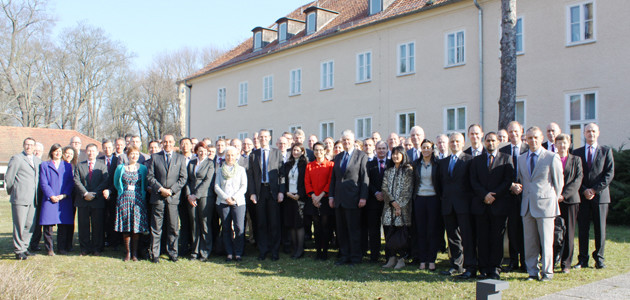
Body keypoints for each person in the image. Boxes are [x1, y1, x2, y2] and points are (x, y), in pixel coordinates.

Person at [512, 126, 563, 281]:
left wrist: (552, 199)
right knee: (530, 242)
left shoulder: (551, 157)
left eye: (535, 137)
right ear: (525, 140)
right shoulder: (521, 158)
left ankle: (547, 273)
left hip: (545, 206)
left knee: (546, 242)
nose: (532, 140)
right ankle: (532, 272)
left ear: (541, 138)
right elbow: (521, 180)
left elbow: (559, 183)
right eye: (529, 138)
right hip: (527, 206)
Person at [470, 132, 514, 280]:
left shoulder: (506, 159)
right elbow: (473, 181)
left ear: (498, 142)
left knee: (497, 238)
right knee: (482, 238)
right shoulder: (476, 160)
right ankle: (483, 268)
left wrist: (494, 195)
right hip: (481, 205)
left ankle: (495, 268)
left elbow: (508, 180)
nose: (490, 143)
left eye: (493, 140)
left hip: (499, 205)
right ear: (484, 142)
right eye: (488, 141)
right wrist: (484, 195)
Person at [574, 123, 614, 270]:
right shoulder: (577, 153)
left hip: (600, 196)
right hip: (582, 196)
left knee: (600, 229)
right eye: (588, 131)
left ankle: (599, 259)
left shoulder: (606, 151)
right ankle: (582, 259)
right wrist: (584, 190)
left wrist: (594, 190)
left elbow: (609, 174)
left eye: (593, 131)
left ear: (598, 133)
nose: (591, 134)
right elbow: (577, 175)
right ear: (584, 134)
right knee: (583, 229)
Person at [437, 133, 476, 279]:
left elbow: (472, 183)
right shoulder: (443, 162)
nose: (454, 144)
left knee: (467, 237)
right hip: (448, 204)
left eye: (457, 141)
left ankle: (470, 265)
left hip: (464, 205)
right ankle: (456, 265)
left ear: (463, 143)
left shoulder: (469, 160)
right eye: (452, 141)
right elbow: (439, 184)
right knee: (452, 237)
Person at [329, 130, 369, 266]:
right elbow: (334, 179)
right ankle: (345, 256)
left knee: (354, 230)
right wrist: (331, 196)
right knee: (342, 230)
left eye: (349, 140)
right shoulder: (339, 156)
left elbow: (365, 178)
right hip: (339, 200)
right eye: (344, 140)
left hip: (354, 199)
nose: (346, 142)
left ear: (353, 140)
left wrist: (363, 197)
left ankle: (355, 257)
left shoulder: (361, 156)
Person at [147, 134, 188, 263]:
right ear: (162, 143)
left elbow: (183, 178)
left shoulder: (180, 158)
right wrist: (161, 189)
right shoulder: (155, 157)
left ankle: (173, 252)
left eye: (170, 142)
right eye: (165, 142)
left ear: (173, 143)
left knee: (173, 227)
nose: (167, 144)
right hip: (158, 197)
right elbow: (150, 177)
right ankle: (155, 254)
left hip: (173, 198)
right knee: (156, 228)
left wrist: (171, 190)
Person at [248, 129, 285, 261]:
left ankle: (275, 251)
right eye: (260, 137)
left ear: (269, 138)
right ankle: (263, 250)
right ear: (258, 139)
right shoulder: (254, 154)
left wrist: (281, 191)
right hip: (260, 192)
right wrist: (252, 193)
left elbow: (282, 174)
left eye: (265, 137)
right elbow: (251, 176)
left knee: (274, 223)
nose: (263, 139)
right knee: (261, 223)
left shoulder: (277, 153)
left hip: (274, 192)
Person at [499, 121, 529, 272]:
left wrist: (521, 186)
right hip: (509, 194)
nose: (513, 134)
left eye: (516, 131)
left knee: (524, 228)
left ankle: (525, 261)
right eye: (510, 131)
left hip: (525, 194)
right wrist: (511, 185)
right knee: (512, 229)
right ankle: (512, 261)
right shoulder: (503, 151)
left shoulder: (528, 148)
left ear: (521, 132)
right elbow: (500, 174)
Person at [6, 138, 42, 260]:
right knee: (19, 225)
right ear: (23, 145)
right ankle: (18, 250)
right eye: (27, 145)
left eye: (31, 145)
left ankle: (25, 247)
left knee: (30, 225)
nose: (29, 147)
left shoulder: (37, 161)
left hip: (34, 199)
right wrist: (14, 192)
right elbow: (9, 178)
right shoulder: (17, 158)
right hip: (20, 198)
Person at [113, 146, 149, 261]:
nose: (134, 156)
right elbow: (116, 182)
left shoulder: (142, 168)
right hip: (124, 200)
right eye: (132, 154)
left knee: (136, 227)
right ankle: (127, 252)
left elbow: (145, 183)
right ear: (127, 155)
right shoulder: (121, 168)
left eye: (137, 154)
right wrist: (121, 193)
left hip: (138, 200)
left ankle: (134, 254)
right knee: (126, 226)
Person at [381, 146, 414, 269]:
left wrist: (399, 206)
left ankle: (402, 259)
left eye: (398, 154)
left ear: (403, 155)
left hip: (403, 209)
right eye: (393, 154)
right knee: (389, 233)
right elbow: (384, 188)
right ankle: (391, 258)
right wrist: (393, 203)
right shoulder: (388, 171)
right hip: (389, 208)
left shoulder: (408, 171)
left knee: (401, 234)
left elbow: (408, 190)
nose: (395, 156)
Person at [38, 144, 75, 256]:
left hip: (63, 199)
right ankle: (49, 249)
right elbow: (43, 183)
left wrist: (64, 195)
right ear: (51, 152)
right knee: (48, 226)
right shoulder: (45, 165)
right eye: (55, 151)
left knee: (63, 226)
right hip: (50, 199)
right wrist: (51, 195)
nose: (58, 153)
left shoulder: (67, 166)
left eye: (59, 151)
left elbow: (70, 182)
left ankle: (61, 248)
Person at [73, 143, 109, 256]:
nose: (91, 153)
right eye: (89, 151)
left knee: (97, 226)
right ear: (85, 152)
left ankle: (96, 248)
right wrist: (85, 193)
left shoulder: (102, 165)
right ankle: (84, 248)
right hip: (83, 200)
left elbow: (105, 181)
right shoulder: (80, 165)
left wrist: (94, 194)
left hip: (97, 200)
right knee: (83, 226)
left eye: (93, 151)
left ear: (97, 153)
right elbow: (76, 180)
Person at [554, 133, 583, 273]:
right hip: (553, 200)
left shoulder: (576, 159)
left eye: (564, 143)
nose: (562, 145)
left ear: (569, 143)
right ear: (555, 145)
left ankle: (566, 263)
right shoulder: (552, 159)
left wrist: (563, 196)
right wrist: (555, 195)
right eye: (559, 143)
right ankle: (553, 260)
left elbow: (578, 180)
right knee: (554, 232)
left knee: (569, 232)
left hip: (570, 200)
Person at [215, 146, 248, 262]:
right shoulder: (220, 170)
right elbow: (216, 186)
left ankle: (238, 252)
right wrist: (226, 197)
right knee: (226, 228)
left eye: (232, 155)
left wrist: (233, 197)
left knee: (239, 227)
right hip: (223, 202)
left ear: (236, 156)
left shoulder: (241, 170)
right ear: (225, 156)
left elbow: (244, 186)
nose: (230, 157)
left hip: (238, 202)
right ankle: (229, 252)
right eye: (228, 155)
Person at [412, 139, 440, 271]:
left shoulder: (438, 164)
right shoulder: (416, 164)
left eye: (428, 147)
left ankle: (431, 259)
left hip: (433, 199)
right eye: (424, 147)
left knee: (432, 231)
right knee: (421, 231)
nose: (426, 150)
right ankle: (422, 260)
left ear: (432, 149)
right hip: (420, 200)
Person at [185, 142, 215, 261]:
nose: (202, 153)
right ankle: (195, 251)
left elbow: (207, 181)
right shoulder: (191, 163)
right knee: (194, 224)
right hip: (191, 196)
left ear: (207, 152)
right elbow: (187, 180)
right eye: (200, 150)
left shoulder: (210, 163)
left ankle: (205, 251)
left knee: (204, 224)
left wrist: (195, 196)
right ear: (196, 151)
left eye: (204, 151)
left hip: (205, 197)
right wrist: (188, 195)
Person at [304, 142, 334, 260]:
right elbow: (307, 182)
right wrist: (314, 197)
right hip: (313, 200)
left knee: (325, 226)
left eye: (321, 150)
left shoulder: (330, 165)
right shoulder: (309, 166)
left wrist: (320, 196)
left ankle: (325, 251)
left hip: (325, 199)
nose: (318, 152)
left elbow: (330, 182)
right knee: (316, 227)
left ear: (325, 151)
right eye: (316, 150)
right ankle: (318, 251)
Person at [281, 143, 308, 259]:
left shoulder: (305, 165)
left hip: (299, 198)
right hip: (288, 197)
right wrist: (286, 192)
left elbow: (305, 181)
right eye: (293, 150)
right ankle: (295, 248)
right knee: (291, 223)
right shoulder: (287, 164)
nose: (295, 152)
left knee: (299, 224)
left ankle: (300, 249)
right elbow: (283, 179)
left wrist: (299, 195)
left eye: (298, 150)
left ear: (302, 152)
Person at [363, 141, 388, 262]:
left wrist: (385, 193)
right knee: (373, 229)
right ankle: (374, 255)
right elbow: (367, 181)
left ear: (387, 150)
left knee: (388, 229)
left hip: (388, 202)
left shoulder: (391, 163)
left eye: (383, 148)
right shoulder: (370, 164)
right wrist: (376, 193)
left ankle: (389, 255)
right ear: (375, 150)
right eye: (379, 148)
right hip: (373, 201)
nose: (381, 150)